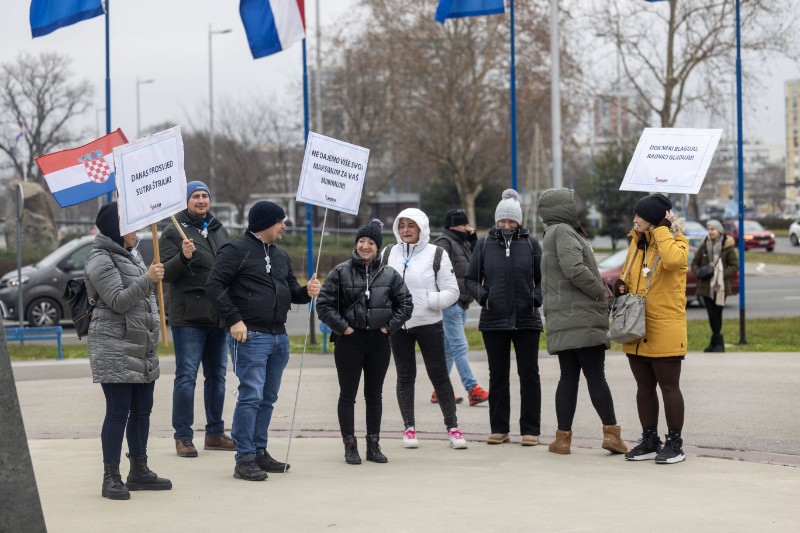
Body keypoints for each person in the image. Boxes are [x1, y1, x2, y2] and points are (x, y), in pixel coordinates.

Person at [205, 200, 321, 481]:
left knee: (267, 398)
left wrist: (307, 291)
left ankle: (259, 451)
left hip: (278, 337)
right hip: (250, 336)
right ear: (266, 223)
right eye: (280, 221)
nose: (284, 226)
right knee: (251, 396)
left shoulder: (280, 256)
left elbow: (292, 291)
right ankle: (244, 457)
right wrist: (234, 319)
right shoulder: (235, 250)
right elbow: (213, 284)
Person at [85, 201, 171, 500]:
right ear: (118, 230)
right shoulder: (100, 260)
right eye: (132, 226)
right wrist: (148, 279)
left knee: (142, 411)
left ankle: (139, 469)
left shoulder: (130, 256)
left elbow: (144, 300)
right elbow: (119, 300)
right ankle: (111, 476)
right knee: (118, 411)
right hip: (115, 346)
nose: (138, 231)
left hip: (140, 346)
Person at [537, 188, 627, 456]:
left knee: (568, 377)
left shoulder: (551, 233)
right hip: (582, 317)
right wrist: (602, 291)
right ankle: (612, 434)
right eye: (573, 203)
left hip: (563, 319)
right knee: (596, 376)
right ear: (563, 207)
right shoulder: (564, 231)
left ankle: (562, 440)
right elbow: (574, 268)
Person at [317, 220, 414, 465]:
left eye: (371, 242)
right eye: (362, 241)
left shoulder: (390, 275)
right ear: (356, 243)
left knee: (374, 395)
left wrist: (387, 327)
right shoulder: (340, 271)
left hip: (379, 341)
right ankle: (350, 444)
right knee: (347, 395)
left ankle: (374, 443)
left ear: (378, 247)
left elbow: (406, 305)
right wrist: (344, 328)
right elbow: (324, 305)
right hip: (349, 340)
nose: (365, 246)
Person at [384, 207, 468, 449]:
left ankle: (453, 428)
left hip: (429, 323)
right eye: (401, 225)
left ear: (421, 228)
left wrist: (429, 302)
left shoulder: (436, 254)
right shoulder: (389, 253)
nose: (405, 230)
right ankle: (409, 428)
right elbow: (379, 285)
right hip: (398, 326)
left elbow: (452, 291)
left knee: (439, 376)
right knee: (405, 376)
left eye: (411, 225)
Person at [614, 193, 689, 464]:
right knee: (643, 386)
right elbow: (628, 273)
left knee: (669, 386)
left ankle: (675, 443)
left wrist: (662, 231)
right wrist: (620, 285)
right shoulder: (637, 243)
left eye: (640, 216)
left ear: (655, 219)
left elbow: (671, 262)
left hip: (664, 326)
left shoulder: (677, 242)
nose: (635, 220)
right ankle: (649, 439)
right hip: (637, 326)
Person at [160, 180, 233, 458]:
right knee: (186, 377)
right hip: (189, 316)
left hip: (219, 314)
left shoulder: (217, 228)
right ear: (186, 201)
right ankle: (183, 437)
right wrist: (184, 256)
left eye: (205, 196)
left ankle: (215, 433)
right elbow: (166, 274)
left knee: (217, 378)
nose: (201, 201)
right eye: (196, 197)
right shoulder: (172, 231)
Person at [465, 189, 543, 446]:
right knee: (498, 375)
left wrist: (535, 298)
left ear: (519, 221)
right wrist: (484, 297)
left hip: (526, 320)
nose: (507, 225)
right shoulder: (484, 244)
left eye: (511, 221)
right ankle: (499, 429)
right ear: (497, 221)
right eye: (503, 221)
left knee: (529, 374)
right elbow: (470, 279)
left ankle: (530, 430)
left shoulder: (531, 244)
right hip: (494, 320)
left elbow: (544, 280)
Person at [432, 209, 489, 407]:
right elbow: (434, 272)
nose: (467, 228)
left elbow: (479, 262)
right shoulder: (444, 243)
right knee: (460, 346)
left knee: (449, 349)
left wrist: (473, 241)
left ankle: (439, 391)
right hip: (450, 303)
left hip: (462, 302)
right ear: (452, 226)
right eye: (464, 225)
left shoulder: (462, 243)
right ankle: (472, 388)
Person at [690, 219, 738, 352]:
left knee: (717, 314)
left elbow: (734, 267)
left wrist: (720, 274)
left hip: (721, 287)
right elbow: (694, 263)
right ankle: (716, 343)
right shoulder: (704, 245)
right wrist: (699, 273)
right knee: (711, 315)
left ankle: (717, 343)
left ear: (719, 231)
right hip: (706, 287)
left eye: (713, 229)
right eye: (709, 229)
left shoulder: (727, 246)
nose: (710, 232)